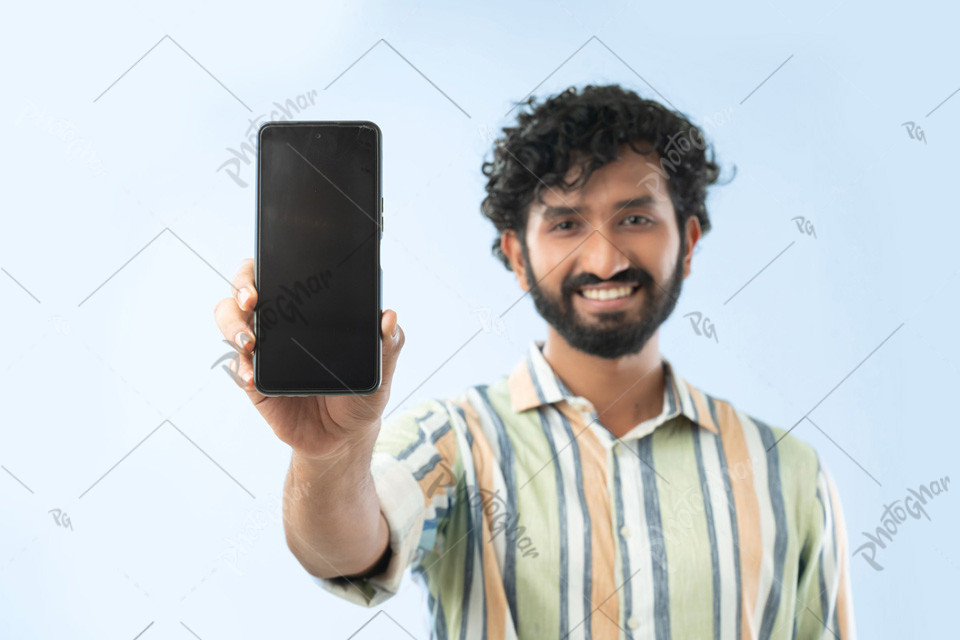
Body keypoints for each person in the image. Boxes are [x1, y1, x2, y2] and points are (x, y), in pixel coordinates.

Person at [213, 84, 856, 639]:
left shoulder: (789, 475)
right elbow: (345, 549)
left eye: (634, 216)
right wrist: (330, 454)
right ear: (517, 255)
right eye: (567, 224)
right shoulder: (453, 444)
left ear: (686, 241)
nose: (604, 261)